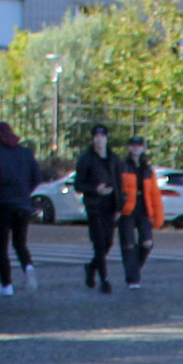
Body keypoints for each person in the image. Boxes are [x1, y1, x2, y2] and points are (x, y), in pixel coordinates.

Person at [0, 121, 39, 295]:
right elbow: (37, 176)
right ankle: (28, 268)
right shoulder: (26, 153)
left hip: (2, 204)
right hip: (23, 204)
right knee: (20, 242)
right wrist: (25, 191)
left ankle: (6, 284)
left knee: (1, 246)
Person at [72, 124, 119, 292]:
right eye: (96, 136)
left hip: (110, 205)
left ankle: (91, 268)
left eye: (102, 136)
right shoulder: (86, 159)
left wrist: (119, 204)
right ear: (93, 139)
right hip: (94, 206)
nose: (99, 139)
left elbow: (119, 182)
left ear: (107, 138)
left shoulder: (114, 159)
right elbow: (78, 185)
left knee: (108, 243)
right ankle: (104, 280)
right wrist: (95, 189)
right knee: (99, 243)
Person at [116, 134, 162, 289]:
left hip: (143, 207)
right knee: (128, 244)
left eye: (139, 146)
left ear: (143, 148)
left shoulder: (147, 169)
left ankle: (134, 268)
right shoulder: (122, 166)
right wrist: (116, 207)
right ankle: (133, 279)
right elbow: (117, 188)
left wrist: (158, 215)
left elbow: (154, 193)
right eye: (133, 145)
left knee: (147, 243)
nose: (136, 148)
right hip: (126, 209)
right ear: (129, 148)